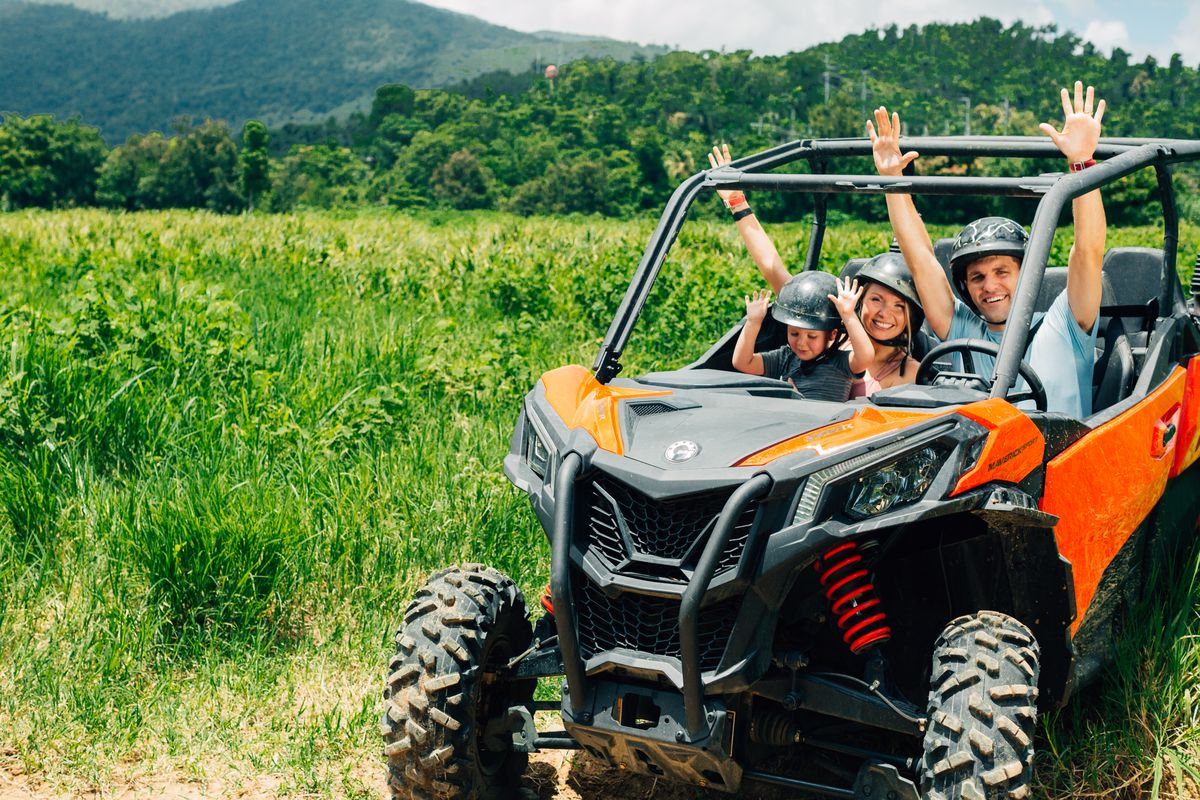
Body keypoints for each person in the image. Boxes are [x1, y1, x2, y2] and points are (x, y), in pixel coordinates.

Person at [868, 81, 1107, 417]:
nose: (989, 286)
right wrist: (893, 180)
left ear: (1027, 274)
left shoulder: (1066, 322)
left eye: (1001, 272)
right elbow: (921, 260)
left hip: (1059, 463)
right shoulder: (963, 329)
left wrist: (1082, 163)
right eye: (977, 277)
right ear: (965, 286)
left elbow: (1088, 251)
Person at [708, 144, 923, 394]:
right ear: (859, 301)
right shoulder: (825, 336)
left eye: (898, 306)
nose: (885, 313)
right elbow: (772, 268)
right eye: (876, 299)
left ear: (911, 314)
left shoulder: (910, 372)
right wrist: (736, 201)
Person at [732, 272, 874, 401]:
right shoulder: (784, 358)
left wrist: (848, 315)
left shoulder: (840, 362)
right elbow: (743, 362)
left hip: (825, 427)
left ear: (832, 334)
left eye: (812, 336)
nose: (801, 343)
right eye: (794, 333)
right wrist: (753, 323)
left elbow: (866, 357)